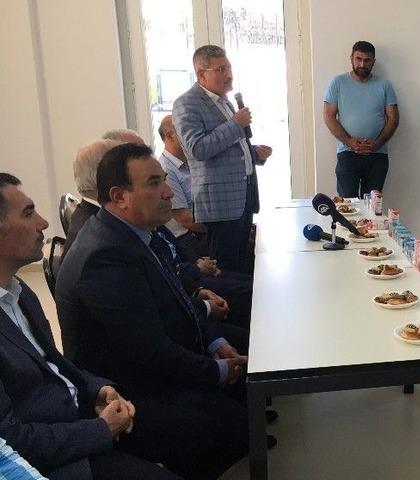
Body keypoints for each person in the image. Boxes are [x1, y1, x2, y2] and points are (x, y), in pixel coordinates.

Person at [55, 144, 251, 479]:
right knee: (233, 426)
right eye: (154, 183)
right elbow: (148, 351)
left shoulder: (134, 232)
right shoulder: (105, 257)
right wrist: (216, 370)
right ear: (119, 197)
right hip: (125, 388)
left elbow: (180, 300)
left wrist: (215, 343)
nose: (168, 192)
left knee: (242, 394)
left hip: (153, 360)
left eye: (164, 180)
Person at [0, 173, 179, 480]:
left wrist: (97, 389)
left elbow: (54, 364)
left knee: (194, 431)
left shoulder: (18, 291)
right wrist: (100, 430)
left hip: (80, 415)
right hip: (56, 456)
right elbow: (12, 442)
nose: (43, 223)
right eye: (28, 214)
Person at [173, 44, 273, 272]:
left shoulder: (224, 100)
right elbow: (197, 148)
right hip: (220, 203)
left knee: (242, 264)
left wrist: (254, 152)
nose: (229, 75)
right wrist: (236, 124)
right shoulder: (186, 103)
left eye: (228, 68)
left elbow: (230, 146)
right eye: (220, 70)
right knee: (225, 269)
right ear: (201, 74)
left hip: (243, 196)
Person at [323, 41, 399, 198]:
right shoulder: (338, 82)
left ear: (373, 62)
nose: (362, 64)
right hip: (347, 153)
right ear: (351, 59)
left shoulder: (384, 85)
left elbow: (393, 118)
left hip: (377, 154)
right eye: (358, 59)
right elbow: (329, 115)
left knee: (373, 205)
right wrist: (349, 141)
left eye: (367, 60)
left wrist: (378, 143)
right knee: (347, 204)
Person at [157, 115, 209, 257]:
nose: (194, 137)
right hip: (189, 239)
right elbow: (185, 219)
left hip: (201, 230)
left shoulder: (191, 162)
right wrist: (222, 229)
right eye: (188, 132)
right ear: (170, 136)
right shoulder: (166, 170)